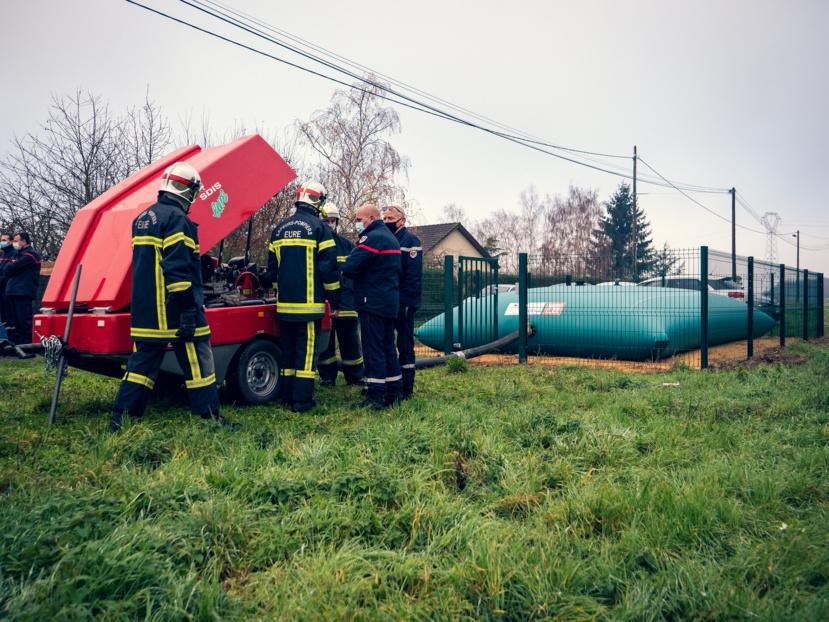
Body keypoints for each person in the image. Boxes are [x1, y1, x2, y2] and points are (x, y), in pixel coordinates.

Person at [110, 162, 236, 432]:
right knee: (199, 361)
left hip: (146, 310)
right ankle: (210, 418)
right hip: (175, 309)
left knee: (141, 366)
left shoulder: (143, 218)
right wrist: (189, 310)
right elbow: (178, 270)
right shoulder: (178, 220)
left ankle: (121, 419)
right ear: (189, 191)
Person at [266, 180, 340, 412]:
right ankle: (302, 400)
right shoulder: (320, 229)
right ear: (318, 201)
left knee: (288, 352)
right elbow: (329, 270)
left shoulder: (279, 229)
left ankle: (287, 396)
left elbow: (272, 271)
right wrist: (335, 299)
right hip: (309, 307)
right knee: (306, 355)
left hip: (284, 306)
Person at [343, 203, 402, 409]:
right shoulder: (390, 238)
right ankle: (394, 391)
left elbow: (351, 266)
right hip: (388, 302)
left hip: (372, 302)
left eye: (359, 219)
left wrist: (344, 265)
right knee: (388, 347)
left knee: (373, 349)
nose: (357, 224)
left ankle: (376, 395)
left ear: (371, 218)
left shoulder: (372, 237)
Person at [317, 202, 364, 386]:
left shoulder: (347, 245)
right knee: (326, 345)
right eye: (325, 220)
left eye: (332, 220)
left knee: (351, 343)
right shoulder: (314, 246)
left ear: (336, 222)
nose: (329, 224)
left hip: (347, 305)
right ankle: (327, 377)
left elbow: (355, 274)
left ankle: (355, 376)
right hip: (325, 304)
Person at [382, 206, 423, 399]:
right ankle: (391, 383)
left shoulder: (410, 241)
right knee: (386, 343)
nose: (387, 221)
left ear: (402, 221)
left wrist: (406, 303)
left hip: (404, 303)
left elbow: (413, 276)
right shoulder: (386, 239)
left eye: (390, 218)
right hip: (388, 301)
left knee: (405, 345)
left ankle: (407, 387)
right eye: (384, 218)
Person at [2, 232, 41, 345]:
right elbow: (7, 269)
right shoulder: (17, 255)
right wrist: (11, 267)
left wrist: (11, 266)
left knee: (23, 320)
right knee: (14, 321)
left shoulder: (31, 255)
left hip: (23, 292)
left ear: (24, 241)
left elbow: (11, 267)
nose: (14, 243)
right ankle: (16, 344)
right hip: (12, 291)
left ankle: (26, 344)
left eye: (16, 240)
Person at [0, 231, 14, 325]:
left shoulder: (13, 254)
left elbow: (8, 273)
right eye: (1, 240)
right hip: (1, 289)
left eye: (4, 240)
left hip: (8, 289)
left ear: (11, 241)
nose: (2, 242)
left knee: (9, 315)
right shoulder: (2, 254)